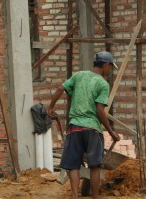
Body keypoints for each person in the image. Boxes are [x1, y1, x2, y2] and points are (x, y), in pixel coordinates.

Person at [47, 51, 121, 199]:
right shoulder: (103, 84)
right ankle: (95, 196)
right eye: (110, 67)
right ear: (105, 65)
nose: (110, 70)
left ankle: (75, 196)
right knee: (94, 166)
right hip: (92, 129)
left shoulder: (79, 75)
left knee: (73, 165)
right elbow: (100, 110)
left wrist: (50, 107)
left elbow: (61, 89)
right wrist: (111, 132)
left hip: (74, 127)